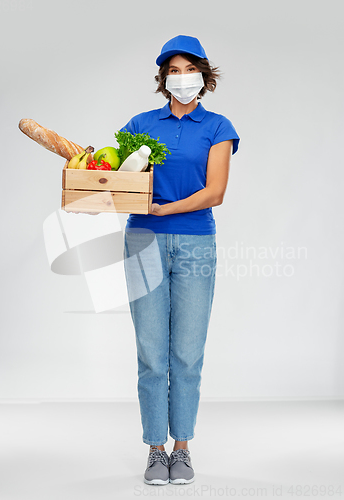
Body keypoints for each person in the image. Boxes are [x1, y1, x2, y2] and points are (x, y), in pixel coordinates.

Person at [121, 35, 240, 485]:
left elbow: (216, 192)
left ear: (203, 76)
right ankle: (155, 450)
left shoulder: (218, 126)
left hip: (194, 243)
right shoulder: (139, 124)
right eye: (171, 71)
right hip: (142, 243)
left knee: (187, 353)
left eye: (187, 69)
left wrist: (163, 209)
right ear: (162, 79)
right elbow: (123, 176)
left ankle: (182, 448)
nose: (180, 77)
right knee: (152, 353)